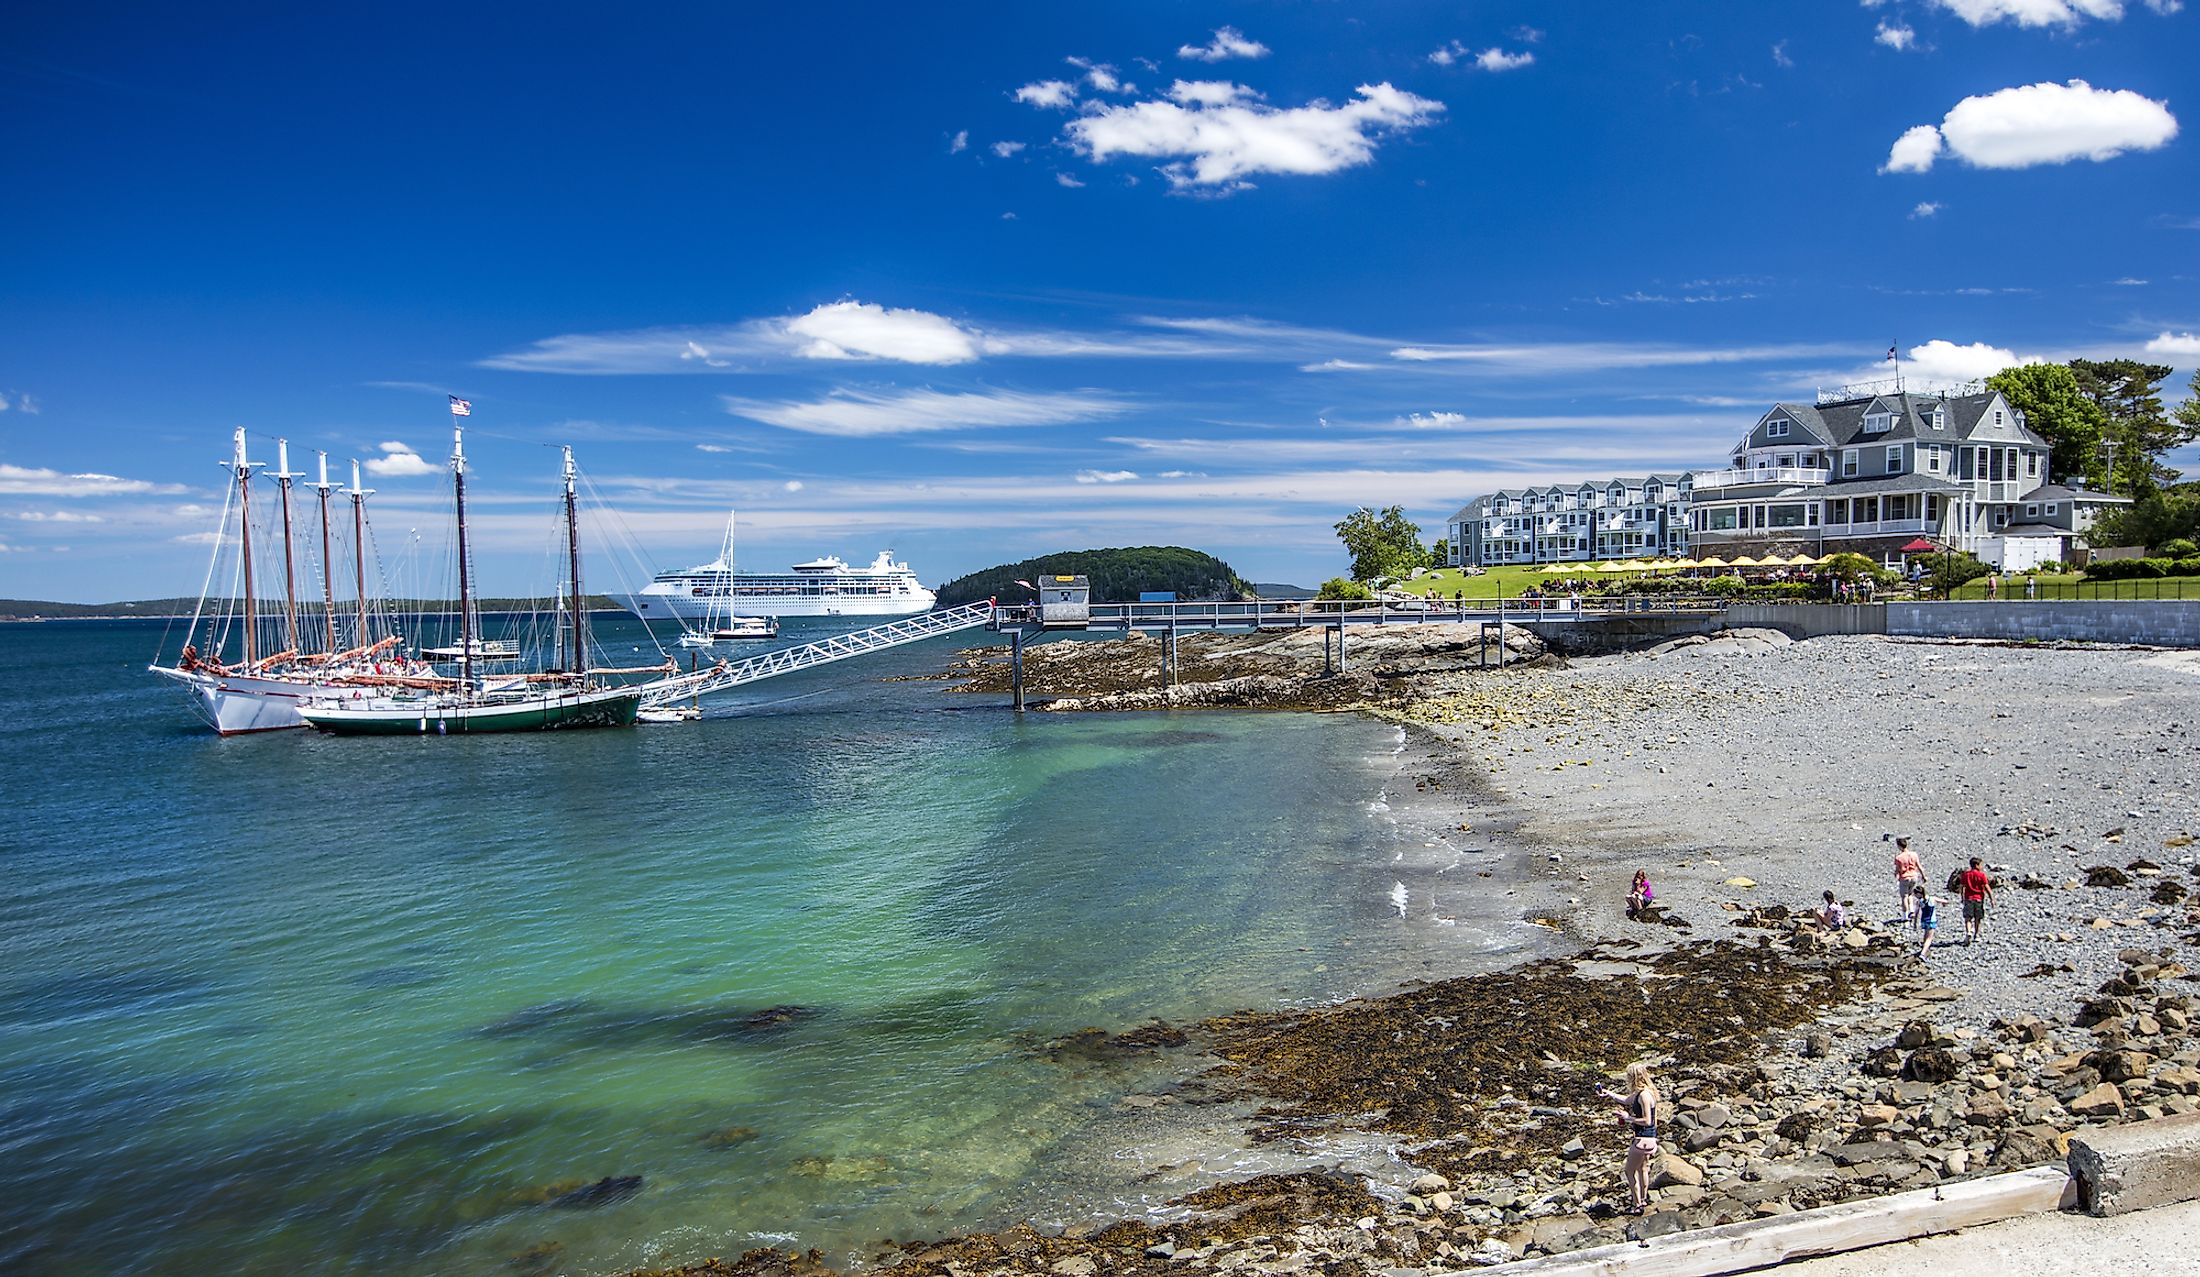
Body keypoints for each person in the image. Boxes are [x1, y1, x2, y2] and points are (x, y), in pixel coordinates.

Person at [1601, 1063, 1661, 1215]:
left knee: (1629, 1171)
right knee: (1643, 1169)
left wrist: (1628, 1118)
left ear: (1633, 1077)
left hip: (1643, 1139)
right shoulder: (1644, 1093)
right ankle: (1643, 1199)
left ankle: (1637, 1204)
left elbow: (1648, 1121)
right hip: (1650, 1139)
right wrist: (1609, 1093)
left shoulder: (1645, 1096)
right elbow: (1626, 1100)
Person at [1959, 856, 1994, 945]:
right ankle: (1976, 935)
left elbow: (1962, 887)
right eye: (1981, 865)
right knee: (1978, 918)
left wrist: (1962, 897)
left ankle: (1968, 932)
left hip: (1968, 898)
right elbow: (1987, 887)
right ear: (1977, 865)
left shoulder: (1966, 875)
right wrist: (1992, 899)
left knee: (1968, 917)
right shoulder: (1981, 875)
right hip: (1979, 899)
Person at [1893, 836, 1924, 927]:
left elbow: (1898, 869)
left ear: (1899, 846)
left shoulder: (1899, 857)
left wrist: (1895, 875)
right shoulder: (1914, 854)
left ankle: (1904, 916)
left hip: (1904, 877)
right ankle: (1911, 910)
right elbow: (1919, 866)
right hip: (1914, 876)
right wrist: (1923, 876)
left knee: (1904, 897)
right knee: (1911, 894)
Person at [1916, 890, 1940, 960]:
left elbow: (1916, 913)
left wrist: (1914, 923)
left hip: (1924, 921)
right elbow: (1942, 901)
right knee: (1929, 939)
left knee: (1925, 936)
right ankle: (1923, 953)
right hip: (1931, 921)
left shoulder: (1920, 901)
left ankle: (1925, 950)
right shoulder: (1932, 899)